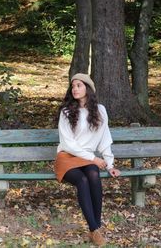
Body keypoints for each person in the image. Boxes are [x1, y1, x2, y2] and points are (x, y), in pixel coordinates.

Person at [54, 73, 121, 246]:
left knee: (93, 174)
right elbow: (67, 144)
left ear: (88, 89)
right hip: (67, 157)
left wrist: (110, 164)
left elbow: (105, 139)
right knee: (82, 180)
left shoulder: (101, 111)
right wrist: (93, 158)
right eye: (73, 86)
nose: (75, 89)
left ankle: (94, 229)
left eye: (79, 85)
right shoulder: (66, 111)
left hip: (87, 159)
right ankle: (95, 229)